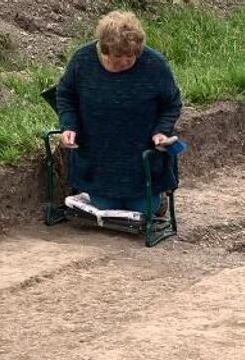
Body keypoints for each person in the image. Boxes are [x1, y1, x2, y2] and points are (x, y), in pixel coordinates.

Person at [53, 11, 183, 213]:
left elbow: (172, 102)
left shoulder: (154, 64)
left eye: (130, 57)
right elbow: (65, 94)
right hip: (99, 157)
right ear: (104, 50)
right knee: (105, 206)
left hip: (140, 157)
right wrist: (69, 125)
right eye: (117, 58)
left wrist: (162, 131)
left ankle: (158, 200)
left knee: (143, 209)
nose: (124, 62)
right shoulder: (82, 60)